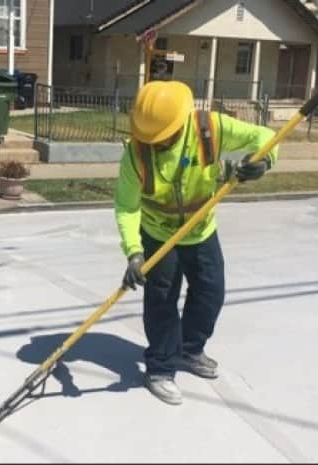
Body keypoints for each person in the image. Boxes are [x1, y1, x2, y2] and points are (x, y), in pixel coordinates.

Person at [114, 80, 279, 405]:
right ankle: (160, 368)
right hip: (158, 234)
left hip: (201, 229)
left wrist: (264, 161)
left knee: (210, 291)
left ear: (181, 123)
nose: (154, 145)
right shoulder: (136, 154)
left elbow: (264, 137)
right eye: (148, 139)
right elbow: (127, 206)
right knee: (161, 302)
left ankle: (189, 349)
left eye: (162, 138)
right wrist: (134, 252)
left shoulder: (209, 128)